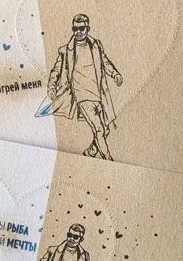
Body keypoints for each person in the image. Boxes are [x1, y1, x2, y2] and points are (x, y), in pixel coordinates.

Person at [35, 14, 123, 160]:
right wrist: (51, 87)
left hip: (99, 94)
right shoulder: (65, 50)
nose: (78, 32)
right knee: (99, 129)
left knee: (105, 129)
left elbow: (105, 62)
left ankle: (90, 152)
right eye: (75, 29)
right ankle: (109, 160)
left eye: (81, 28)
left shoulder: (96, 45)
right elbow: (56, 71)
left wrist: (115, 74)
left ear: (88, 28)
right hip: (81, 96)